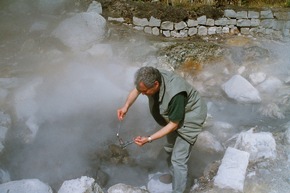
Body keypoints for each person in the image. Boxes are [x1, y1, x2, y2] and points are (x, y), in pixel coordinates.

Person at [117, 66, 207, 193]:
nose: (142, 93)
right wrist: (126, 106)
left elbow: (173, 125)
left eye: (145, 91)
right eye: (141, 90)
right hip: (174, 116)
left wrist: (148, 139)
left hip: (190, 116)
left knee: (178, 160)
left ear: (155, 84)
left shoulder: (176, 94)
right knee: (170, 148)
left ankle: (178, 189)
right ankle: (174, 176)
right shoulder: (150, 77)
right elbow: (136, 90)